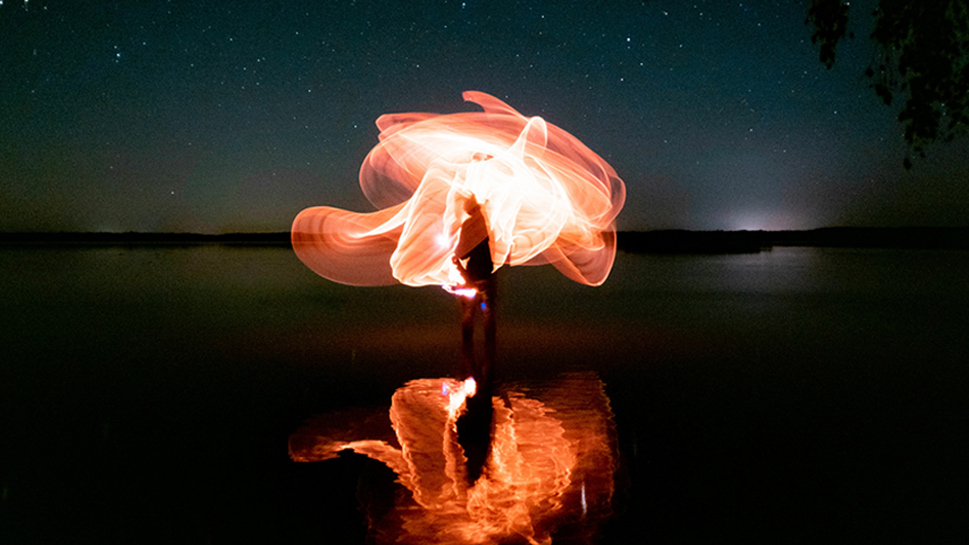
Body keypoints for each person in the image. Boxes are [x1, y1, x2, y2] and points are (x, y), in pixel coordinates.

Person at [451, 193, 496, 484]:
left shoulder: (472, 225)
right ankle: (485, 358)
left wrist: (456, 260)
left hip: (473, 277)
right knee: (487, 316)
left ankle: (472, 357)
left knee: (471, 317)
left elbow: (462, 252)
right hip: (485, 276)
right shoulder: (483, 223)